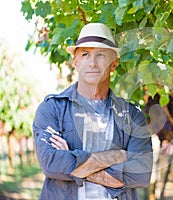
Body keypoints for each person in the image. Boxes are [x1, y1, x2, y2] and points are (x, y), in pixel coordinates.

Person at [32, 23, 153, 200]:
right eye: (85, 54)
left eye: (101, 54)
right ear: (76, 62)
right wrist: (118, 156)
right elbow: (51, 163)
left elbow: (141, 174)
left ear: (114, 64)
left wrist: (73, 162)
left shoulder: (132, 115)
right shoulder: (52, 109)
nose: (92, 63)